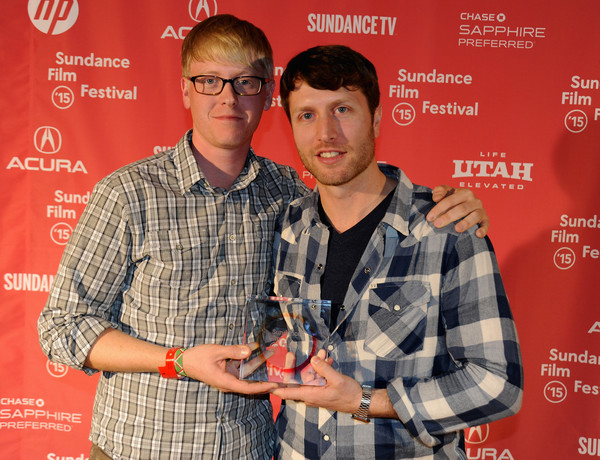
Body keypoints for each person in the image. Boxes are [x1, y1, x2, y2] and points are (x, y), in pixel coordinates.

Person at [38, 15, 491, 460]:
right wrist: (178, 360)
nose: (228, 98)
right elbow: (61, 326)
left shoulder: (292, 198)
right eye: (209, 81)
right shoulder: (127, 194)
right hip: (140, 448)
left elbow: (361, 206)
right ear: (185, 89)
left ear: (268, 94)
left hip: (252, 448)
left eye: (246, 82)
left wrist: (446, 204)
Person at [270, 45, 523, 459]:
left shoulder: (447, 228)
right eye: (307, 115)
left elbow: (498, 385)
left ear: (377, 118)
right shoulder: (289, 227)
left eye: (343, 110)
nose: (325, 133)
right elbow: (276, 342)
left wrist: (365, 401)